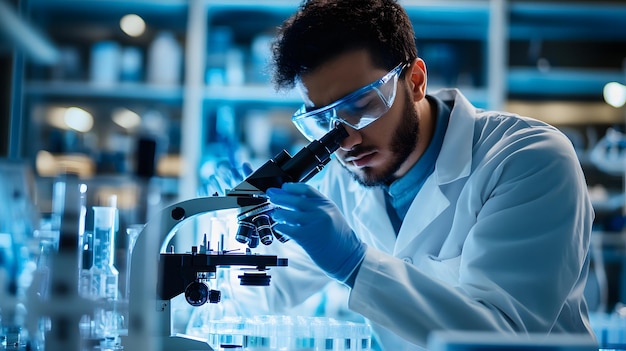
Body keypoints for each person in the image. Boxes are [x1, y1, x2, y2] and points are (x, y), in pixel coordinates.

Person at [234, 0, 596, 350]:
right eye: (323, 121)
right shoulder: (343, 181)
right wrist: (229, 229)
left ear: (416, 81)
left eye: (362, 106)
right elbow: (265, 294)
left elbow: (500, 339)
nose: (346, 141)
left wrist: (355, 265)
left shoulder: (527, 159)